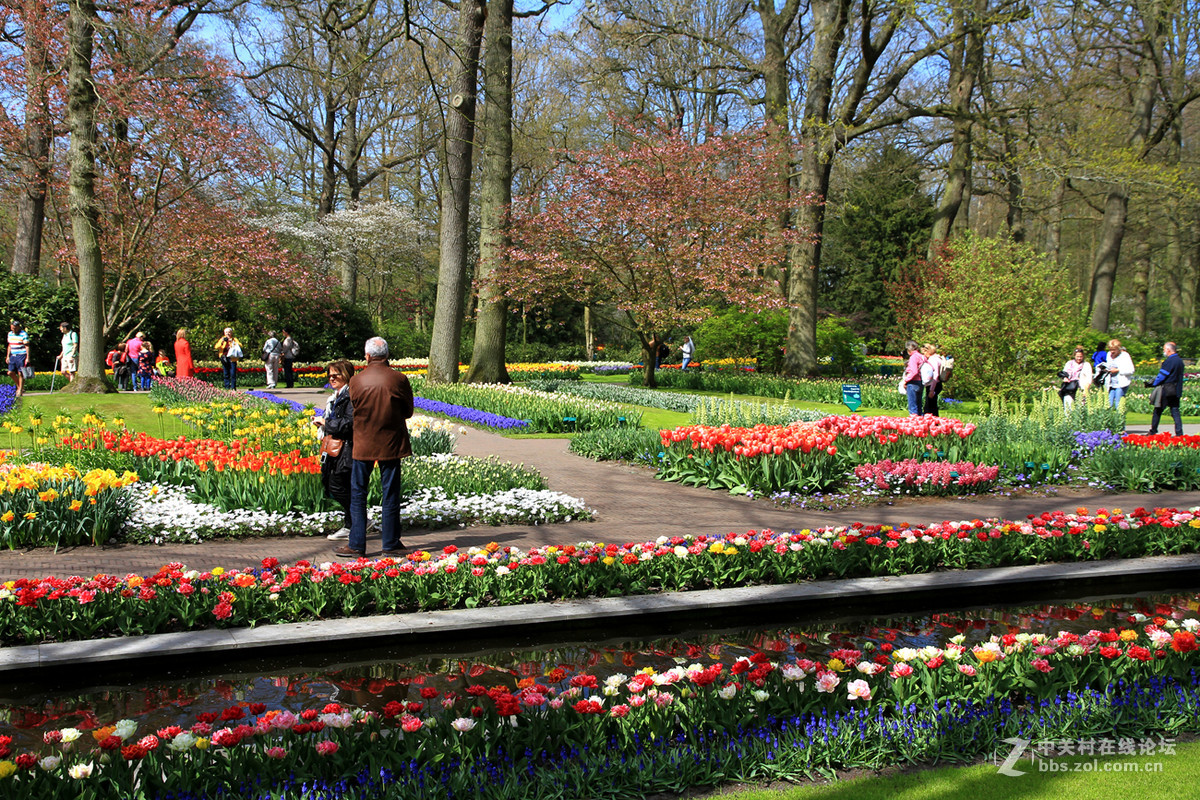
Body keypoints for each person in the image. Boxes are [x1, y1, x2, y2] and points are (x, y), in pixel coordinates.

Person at [334, 336, 413, 559]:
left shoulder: (356, 381)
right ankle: (391, 543)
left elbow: (355, 408)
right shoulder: (399, 379)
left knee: (358, 493)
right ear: (387, 356)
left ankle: (357, 544)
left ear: (367, 356)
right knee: (391, 492)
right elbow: (408, 411)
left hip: (363, 443)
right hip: (391, 443)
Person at [315, 360, 355, 542]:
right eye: (329, 375)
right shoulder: (336, 396)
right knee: (334, 483)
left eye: (335, 375)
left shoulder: (351, 396)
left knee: (338, 485)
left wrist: (326, 423)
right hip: (334, 448)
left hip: (346, 448)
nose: (331, 378)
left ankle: (357, 521)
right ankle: (352, 523)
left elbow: (350, 423)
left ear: (346, 375)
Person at [1146, 341, 1185, 436]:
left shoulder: (1169, 361)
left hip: (1167, 389)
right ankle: (1179, 433)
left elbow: (1162, 375)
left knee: (1158, 410)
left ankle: (1153, 431)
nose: (1164, 351)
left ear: (1168, 350)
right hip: (1176, 389)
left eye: (1164, 349)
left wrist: (1153, 383)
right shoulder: (1180, 361)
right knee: (1175, 412)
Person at [1059, 347, 1093, 413]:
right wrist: (1065, 378)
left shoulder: (1086, 365)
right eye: (1077, 356)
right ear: (1074, 355)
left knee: (1080, 410)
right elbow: (1064, 373)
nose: (1079, 358)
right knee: (1068, 409)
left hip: (1080, 389)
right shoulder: (1069, 363)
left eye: (1081, 356)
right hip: (1069, 389)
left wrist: (1086, 390)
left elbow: (1089, 379)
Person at [1103, 338, 1135, 409]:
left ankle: (1120, 419)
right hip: (1110, 383)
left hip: (1121, 384)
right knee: (1108, 404)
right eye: (1110, 349)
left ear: (1118, 348)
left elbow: (1131, 370)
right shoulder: (1108, 355)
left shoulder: (1124, 355)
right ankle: (1109, 419)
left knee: (1118, 404)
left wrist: (1118, 370)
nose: (1112, 351)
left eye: (1114, 349)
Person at [902, 340, 926, 416]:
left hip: (913, 382)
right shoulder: (922, 357)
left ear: (909, 349)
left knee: (913, 408)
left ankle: (914, 425)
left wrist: (906, 380)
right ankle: (922, 425)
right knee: (919, 406)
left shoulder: (913, 357)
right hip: (920, 382)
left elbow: (914, 371)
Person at [6, 320, 29, 397]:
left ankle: (20, 390)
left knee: (21, 373)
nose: (13, 329)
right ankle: (19, 386)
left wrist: (27, 357)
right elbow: (10, 345)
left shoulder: (23, 334)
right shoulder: (10, 334)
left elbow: (27, 346)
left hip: (21, 354)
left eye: (15, 328)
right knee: (10, 372)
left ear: (18, 327)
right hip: (13, 354)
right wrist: (8, 356)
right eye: (12, 328)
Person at [920, 343, 942, 416]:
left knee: (929, 407)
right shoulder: (938, 358)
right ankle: (934, 423)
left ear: (928, 351)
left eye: (924, 352)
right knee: (932, 406)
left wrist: (931, 390)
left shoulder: (933, 360)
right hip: (936, 384)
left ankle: (931, 424)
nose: (923, 355)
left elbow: (935, 375)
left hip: (933, 385)